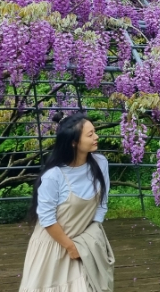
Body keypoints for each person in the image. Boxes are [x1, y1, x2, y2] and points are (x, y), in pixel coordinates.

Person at [20, 112, 115, 292]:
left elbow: (102, 203)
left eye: (95, 132)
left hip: (84, 242)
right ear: (73, 142)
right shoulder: (53, 176)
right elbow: (47, 219)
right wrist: (70, 247)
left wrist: (92, 234)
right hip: (54, 247)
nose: (96, 137)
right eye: (90, 134)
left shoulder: (101, 164)